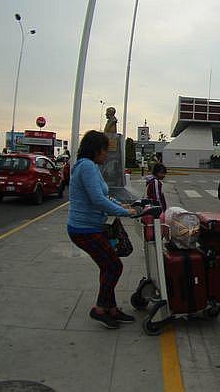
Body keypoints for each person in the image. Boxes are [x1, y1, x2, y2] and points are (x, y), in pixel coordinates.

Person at [67, 130, 140, 329]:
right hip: (84, 230)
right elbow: (97, 200)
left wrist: (123, 206)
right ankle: (100, 309)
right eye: (105, 150)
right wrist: (128, 213)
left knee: (108, 266)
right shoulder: (88, 167)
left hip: (90, 228)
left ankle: (112, 309)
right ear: (96, 150)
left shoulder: (89, 167)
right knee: (114, 266)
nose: (107, 155)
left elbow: (104, 195)